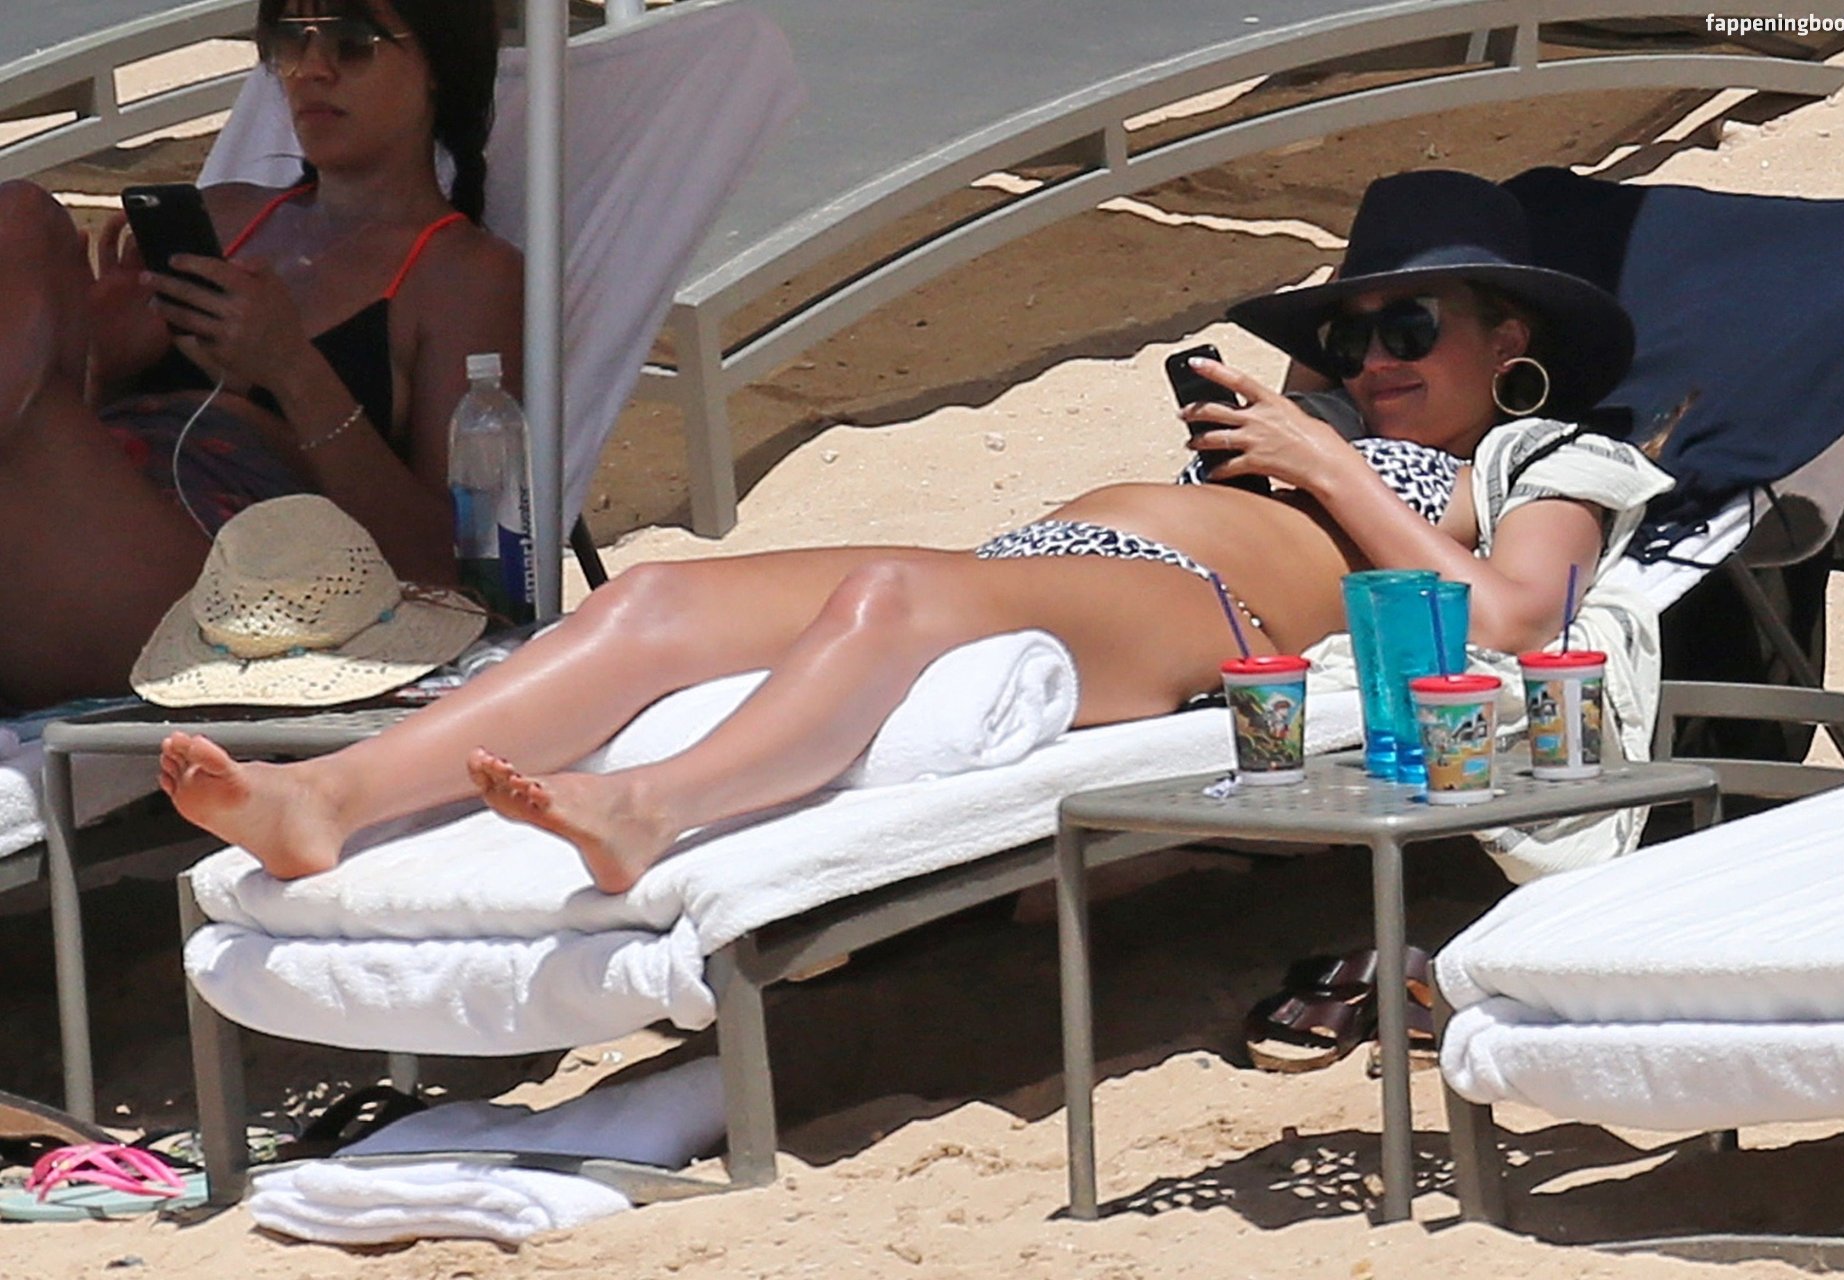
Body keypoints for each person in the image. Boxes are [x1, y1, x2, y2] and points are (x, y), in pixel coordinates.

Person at [157, 169, 1675, 894]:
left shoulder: (1546, 456)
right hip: (1055, 561)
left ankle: (653, 809)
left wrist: (1324, 465)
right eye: (1347, 336)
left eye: (1410, 326)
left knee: (890, 594)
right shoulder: (1310, 427)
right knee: (657, 600)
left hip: (1209, 615)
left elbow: (1511, 623)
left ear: (1511, 342)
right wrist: (1300, 436)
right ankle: (332, 796)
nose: (1372, 360)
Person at [0, 0, 522, 710]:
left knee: (20, 220)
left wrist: (292, 371)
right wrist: (104, 363)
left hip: (229, 592)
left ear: (438, 63)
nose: (310, 68)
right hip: (77, 518)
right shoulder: (223, 214)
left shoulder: (463, 274)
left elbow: (451, 573)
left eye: (352, 41)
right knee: (22, 229)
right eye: (287, 40)